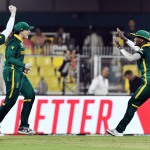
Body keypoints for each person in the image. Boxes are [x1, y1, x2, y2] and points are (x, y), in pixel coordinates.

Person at [107, 29, 150, 136]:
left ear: (143, 40)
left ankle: (119, 131)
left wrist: (120, 48)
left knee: (132, 104)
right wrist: (124, 38)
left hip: (148, 83)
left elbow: (131, 57)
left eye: (136, 37)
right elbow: (136, 47)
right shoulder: (147, 47)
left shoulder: (144, 50)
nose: (134, 39)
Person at [0, 22, 37, 136]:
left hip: (18, 72)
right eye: (27, 30)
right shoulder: (13, 42)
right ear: (21, 31)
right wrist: (23, 65)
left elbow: (15, 59)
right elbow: (9, 59)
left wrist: (23, 69)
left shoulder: (19, 42)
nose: (29, 31)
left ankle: (24, 126)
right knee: (10, 100)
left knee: (30, 94)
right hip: (12, 72)